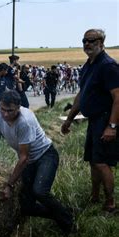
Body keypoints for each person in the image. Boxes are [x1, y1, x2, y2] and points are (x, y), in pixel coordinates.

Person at [0, 90, 74, 235]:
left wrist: (9, 185)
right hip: (29, 161)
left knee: (40, 192)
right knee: (26, 206)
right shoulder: (0, 115)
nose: (5, 114)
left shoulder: (24, 122)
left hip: (45, 156)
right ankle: (62, 213)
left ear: (18, 107)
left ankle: (69, 226)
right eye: (3, 109)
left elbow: (23, 158)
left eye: (9, 111)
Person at [61, 29, 119, 213]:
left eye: (92, 40)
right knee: (93, 161)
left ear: (101, 42)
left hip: (105, 119)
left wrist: (112, 126)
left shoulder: (108, 65)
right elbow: (81, 94)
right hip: (93, 120)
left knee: (101, 162)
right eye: (85, 40)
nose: (87, 44)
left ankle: (110, 203)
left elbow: (118, 96)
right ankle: (95, 196)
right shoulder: (89, 65)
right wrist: (69, 119)